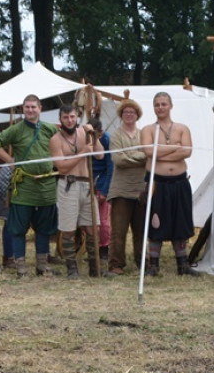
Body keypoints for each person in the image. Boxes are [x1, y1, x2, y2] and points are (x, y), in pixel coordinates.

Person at [0, 95, 58, 278]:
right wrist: (10, 161)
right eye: (27, 107)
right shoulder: (16, 130)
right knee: (18, 229)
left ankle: (42, 266)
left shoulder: (51, 129)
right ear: (23, 109)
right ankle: (21, 268)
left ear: (40, 108)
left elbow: (63, 146)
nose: (30, 110)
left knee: (44, 228)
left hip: (46, 187)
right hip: (24, 186)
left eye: (33, 107)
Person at [140, 92, 198, 276]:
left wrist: (160, 152)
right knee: (154, 222)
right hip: (157, 184)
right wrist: (175, 147)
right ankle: (154, 266)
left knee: (180, 221)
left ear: (170, 105)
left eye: (164, 104)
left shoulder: (182, 128)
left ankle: (183, 265)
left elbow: (187, 151)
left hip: (179, 182)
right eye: (157, 104)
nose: (160, 107)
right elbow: (149, 152)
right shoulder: (148, 130)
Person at [49, 105, 105, 278]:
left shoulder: (84, 133)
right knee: (68, 229)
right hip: (68, 185)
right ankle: (72, 269)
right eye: (66, 117)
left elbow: (100, 155)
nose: (69, 120)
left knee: (92, 228)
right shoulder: (55, 140)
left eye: (72, 117)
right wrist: (82, 153)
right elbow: (62, 167)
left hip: (87, 185)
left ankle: (95, 269)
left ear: (77, 117)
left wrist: (93, 137)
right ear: (60, 119)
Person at [105, 98, 147, 276]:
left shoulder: (143, 135)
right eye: (125, 112)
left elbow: (150, 155)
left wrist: (130, 155)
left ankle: (143, 263)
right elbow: (118, 160)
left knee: (141, 230)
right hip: (121, 190)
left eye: (132, 112)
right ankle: (116, 264)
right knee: (118, 231)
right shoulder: (116, 135)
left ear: (137, 115)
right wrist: (139, 156)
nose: (129, 114)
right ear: (121, 115)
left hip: (141, 189)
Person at [89, 114, 113, 264]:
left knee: (103, 221)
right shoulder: (84, 141)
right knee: (90, 220)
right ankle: (92, 249)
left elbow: (111, 168)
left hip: (102, 183)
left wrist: (105, 190)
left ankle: (104, 250)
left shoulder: (107, 140)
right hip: (88, 183)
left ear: (100, 132)